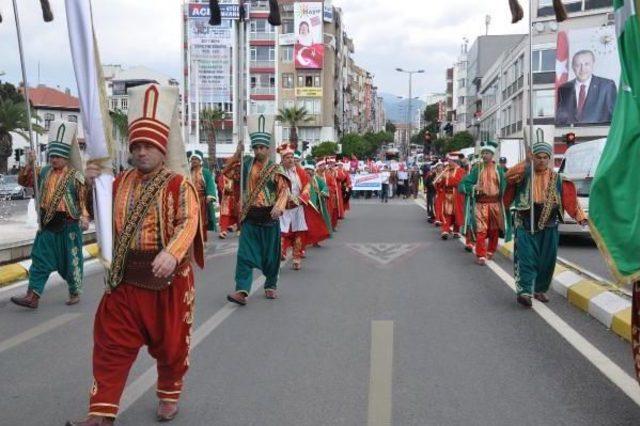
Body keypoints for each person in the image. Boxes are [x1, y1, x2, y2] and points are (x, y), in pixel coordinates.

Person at [68, 84, 204, 425]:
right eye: (137, 146)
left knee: (172, 347)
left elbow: (189, 220)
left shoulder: (178, 184)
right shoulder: (118, 183)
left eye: (149, 146)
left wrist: (173, 254)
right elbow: (92, 213)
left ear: (161, 149)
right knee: (110, 344)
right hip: (126, 280)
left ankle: (169, 392)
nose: (142, 151)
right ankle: (101, 412)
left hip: (167, 281)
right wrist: (90, 183)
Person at [11, 120, 89, 309]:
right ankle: (33, 296)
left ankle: (74, 290)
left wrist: (85, 217)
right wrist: (29, 163)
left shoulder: (75, 176)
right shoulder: (43, 172)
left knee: (69, 263)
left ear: (66, 158)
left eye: (58, 156)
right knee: (39, 258)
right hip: (47, 225)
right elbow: (23, 181)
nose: (54, 159)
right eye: (52, 155)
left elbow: (82, 200)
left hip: (68, 226)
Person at [504, 142, 587, 307]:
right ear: (532, 157)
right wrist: (526, 162)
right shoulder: (523, 175)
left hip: (549, 225)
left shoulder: (558, 179)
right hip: (525, 223)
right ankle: (525, 291)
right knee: (526, 258)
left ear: (549, 159)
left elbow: (570, 202)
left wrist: (581, 218)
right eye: (538, 157)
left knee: (546, 261)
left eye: (545, 158)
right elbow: (508, 177)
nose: (541, 161)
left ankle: (539, 289)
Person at [226, 116, 290, 306]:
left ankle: (270, 284)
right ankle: (242, 291)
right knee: (244, 255)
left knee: (271, 257)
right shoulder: (245, 165)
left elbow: (284, 190)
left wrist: (279, 206)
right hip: (250, 217)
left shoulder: (275, 168)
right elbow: (228, 172)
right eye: (255, 148)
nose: (258, 151)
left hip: (269, 218)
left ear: (267, 148)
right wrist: (238, 153)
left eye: (262, 147)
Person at [459, 141, 511, 265]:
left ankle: (491, 251)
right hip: (480, 204)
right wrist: (473, 188)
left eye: (487, 153)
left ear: (492, 155)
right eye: (483, 153)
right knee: (481, 231)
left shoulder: (499, 170)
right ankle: (480, 254)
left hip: (495, 205)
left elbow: (507, 186)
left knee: (494, 231)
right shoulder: (477, 169)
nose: (485, 155)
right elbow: (463, 184)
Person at [556, 50, 617, 126]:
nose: (582, 69)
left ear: (593, 64)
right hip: (571, 136)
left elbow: (615, 118)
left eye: (586, 64)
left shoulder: (607, 86)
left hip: (598, 136)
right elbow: (560, 118)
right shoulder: (564, 89)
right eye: (578, 65)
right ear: (572, 67)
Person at [279, 144, 309, 271]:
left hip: (297, 206)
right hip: (283, 207)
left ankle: (296, 257)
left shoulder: (300, 172)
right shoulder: (277, 172)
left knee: (298, 232)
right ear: (282, 159)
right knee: (281, 232)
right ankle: (279, 254)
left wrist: (302, 197)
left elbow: (307, 186)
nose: (291, 160)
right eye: (287, 157)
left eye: (292, 157)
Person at [188, 150, 218, 241]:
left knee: (202, 220)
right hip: (190, 199)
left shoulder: (205, 172)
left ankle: (202, 239)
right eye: (192, 159)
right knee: (190, 219)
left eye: (196, 159)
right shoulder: (188, 171)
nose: (194, 161)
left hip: (202, 200)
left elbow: (210, 184)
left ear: (200, 161)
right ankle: (191, 239)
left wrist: (210, 195)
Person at [434, 155, 465, 239]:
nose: (448, 163)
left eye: (450, 161)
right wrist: (438, 182)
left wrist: (446, 178)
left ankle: (456, 231)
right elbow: (442, 184)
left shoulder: (460, 171)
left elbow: (457, 182)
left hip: (457, 196)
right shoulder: (446, 170)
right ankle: (445, 230)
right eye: (448, 161)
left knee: (456, 214)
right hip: (447, 196)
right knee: (447, 213)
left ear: (455, 161)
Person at [301, 160, 331, 248]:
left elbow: (325, 187)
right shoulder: (302, 179)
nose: (308, 172)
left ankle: (315, 241)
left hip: (316, 205)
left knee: (316, 224)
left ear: (313, 171)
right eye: (306, 170)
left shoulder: (317, 179)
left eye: (310, 170)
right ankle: (303, 243)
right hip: (305, 205)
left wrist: (323, 192)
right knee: (304, 225)